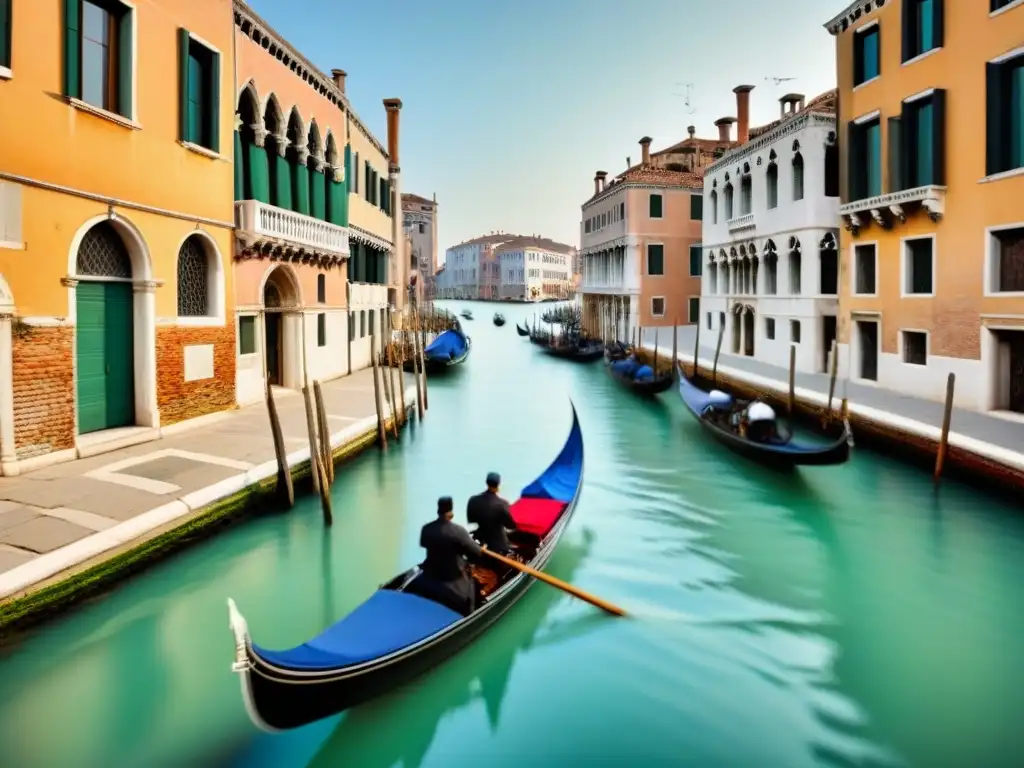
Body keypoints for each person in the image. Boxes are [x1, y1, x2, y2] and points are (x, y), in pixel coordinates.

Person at [416, 496, 483, 616]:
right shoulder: (458, 531)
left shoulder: (426, 529)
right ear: (451, 513)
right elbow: (476, 553)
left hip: (430, 575)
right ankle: (471, 614)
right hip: (452, 579)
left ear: (438, 510)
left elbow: (424, 543)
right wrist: (480, 549)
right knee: (473, 584)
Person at [467, 472, 518, 554]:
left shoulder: (473, 501)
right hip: (500, 547)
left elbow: (471, 520)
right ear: (498, 484)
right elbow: (511, 525)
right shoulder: (502, 504)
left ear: (486, 482)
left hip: (481, 542)